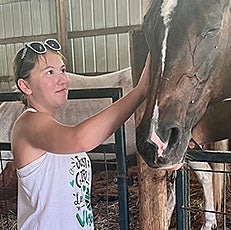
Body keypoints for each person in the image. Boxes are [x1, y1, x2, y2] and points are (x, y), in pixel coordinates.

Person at [11, 38, 151, 230]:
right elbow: (80, 139)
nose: (62, 79)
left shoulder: (53, 126)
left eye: (62, 70)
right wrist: (139, 92)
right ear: (25, 86)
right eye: (49, 72)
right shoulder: (28, 124)